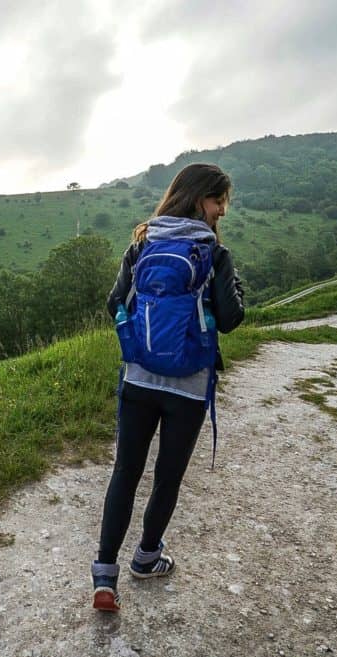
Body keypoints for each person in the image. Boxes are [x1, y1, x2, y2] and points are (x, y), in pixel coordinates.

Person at [91, 163, 245, 612]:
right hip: (189, 386)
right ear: (201, 200)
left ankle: (104, 576)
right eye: (219, 202)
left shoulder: (142, 244)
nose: (223, 211)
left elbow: (114, 302)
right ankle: (147, 556)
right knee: (167, 476)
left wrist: (139, 342)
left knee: (125, 472)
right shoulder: (213, 253)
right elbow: (232, 320)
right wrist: (234, 285)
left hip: (138, 378)